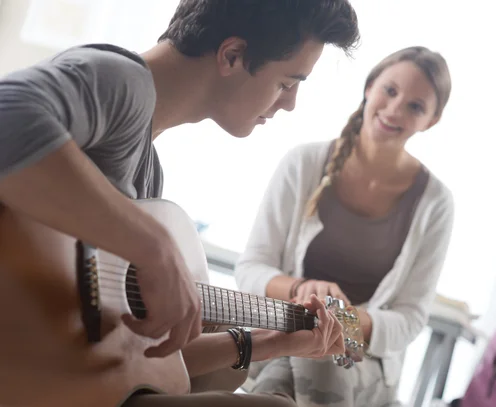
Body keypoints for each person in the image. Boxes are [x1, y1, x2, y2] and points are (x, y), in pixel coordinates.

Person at [0, 0, 360, 406]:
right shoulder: (121, 79)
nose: (290, 103)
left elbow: (138, 358)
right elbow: (6, 115)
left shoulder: (147, 177)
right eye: (287, 82)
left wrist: (272, 342)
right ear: (233, 55)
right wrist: (153, 248)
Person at [234, 46, 455, 407]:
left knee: (316, 359)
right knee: (302, 359)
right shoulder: (303, 163)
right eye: (390, 90)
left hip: (365, 362)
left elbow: (410, 319)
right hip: (283, 336)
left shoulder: (436, 203)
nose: (395, 109)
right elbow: (251, 269)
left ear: (431, 120)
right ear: (369, 87)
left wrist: (339, 322)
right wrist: (304, 290)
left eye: (416, 106)